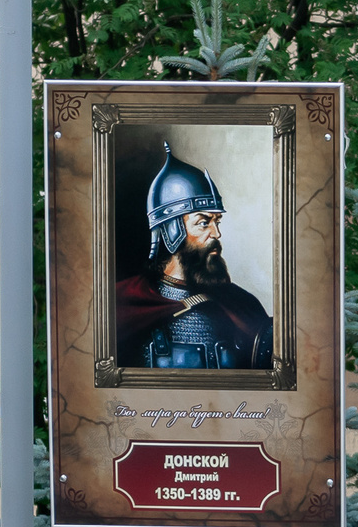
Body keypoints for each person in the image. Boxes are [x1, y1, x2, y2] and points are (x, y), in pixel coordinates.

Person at [115, 141, 275, 370]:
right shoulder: (126, 307)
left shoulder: (241, 305)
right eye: (203, 223)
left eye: (217, 222)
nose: (216, 234)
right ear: (173, 230)